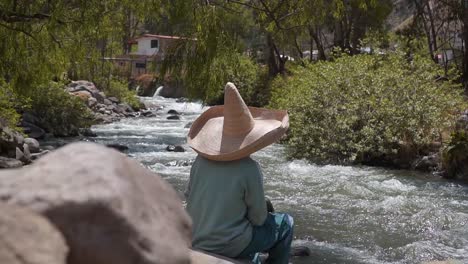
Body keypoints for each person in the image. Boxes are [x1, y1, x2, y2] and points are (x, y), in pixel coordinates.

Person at [185, 82, 294, 264]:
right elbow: (258, 219)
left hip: (196, 237)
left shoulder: (200, 161)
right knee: (285, 224)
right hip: (229, 243)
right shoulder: (249, 168)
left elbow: (189, 196)